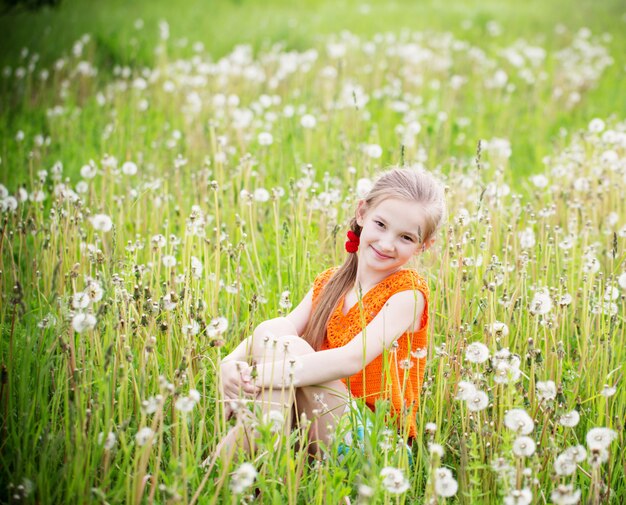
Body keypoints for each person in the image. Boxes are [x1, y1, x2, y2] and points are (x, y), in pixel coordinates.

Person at [216, 167, 446, 461]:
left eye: (405, 237)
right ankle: (257, 469)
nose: (387, 243)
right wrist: (230, 363)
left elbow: (351, 359)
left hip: (379, 448)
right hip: (319, 425)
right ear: (361, 213)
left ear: (424, 245)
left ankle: (230, 472)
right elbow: (272, 332)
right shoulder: (330, 282)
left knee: (291, 349)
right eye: (381, 224)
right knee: (273, 332)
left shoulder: (408, 294)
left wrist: (256, 376)